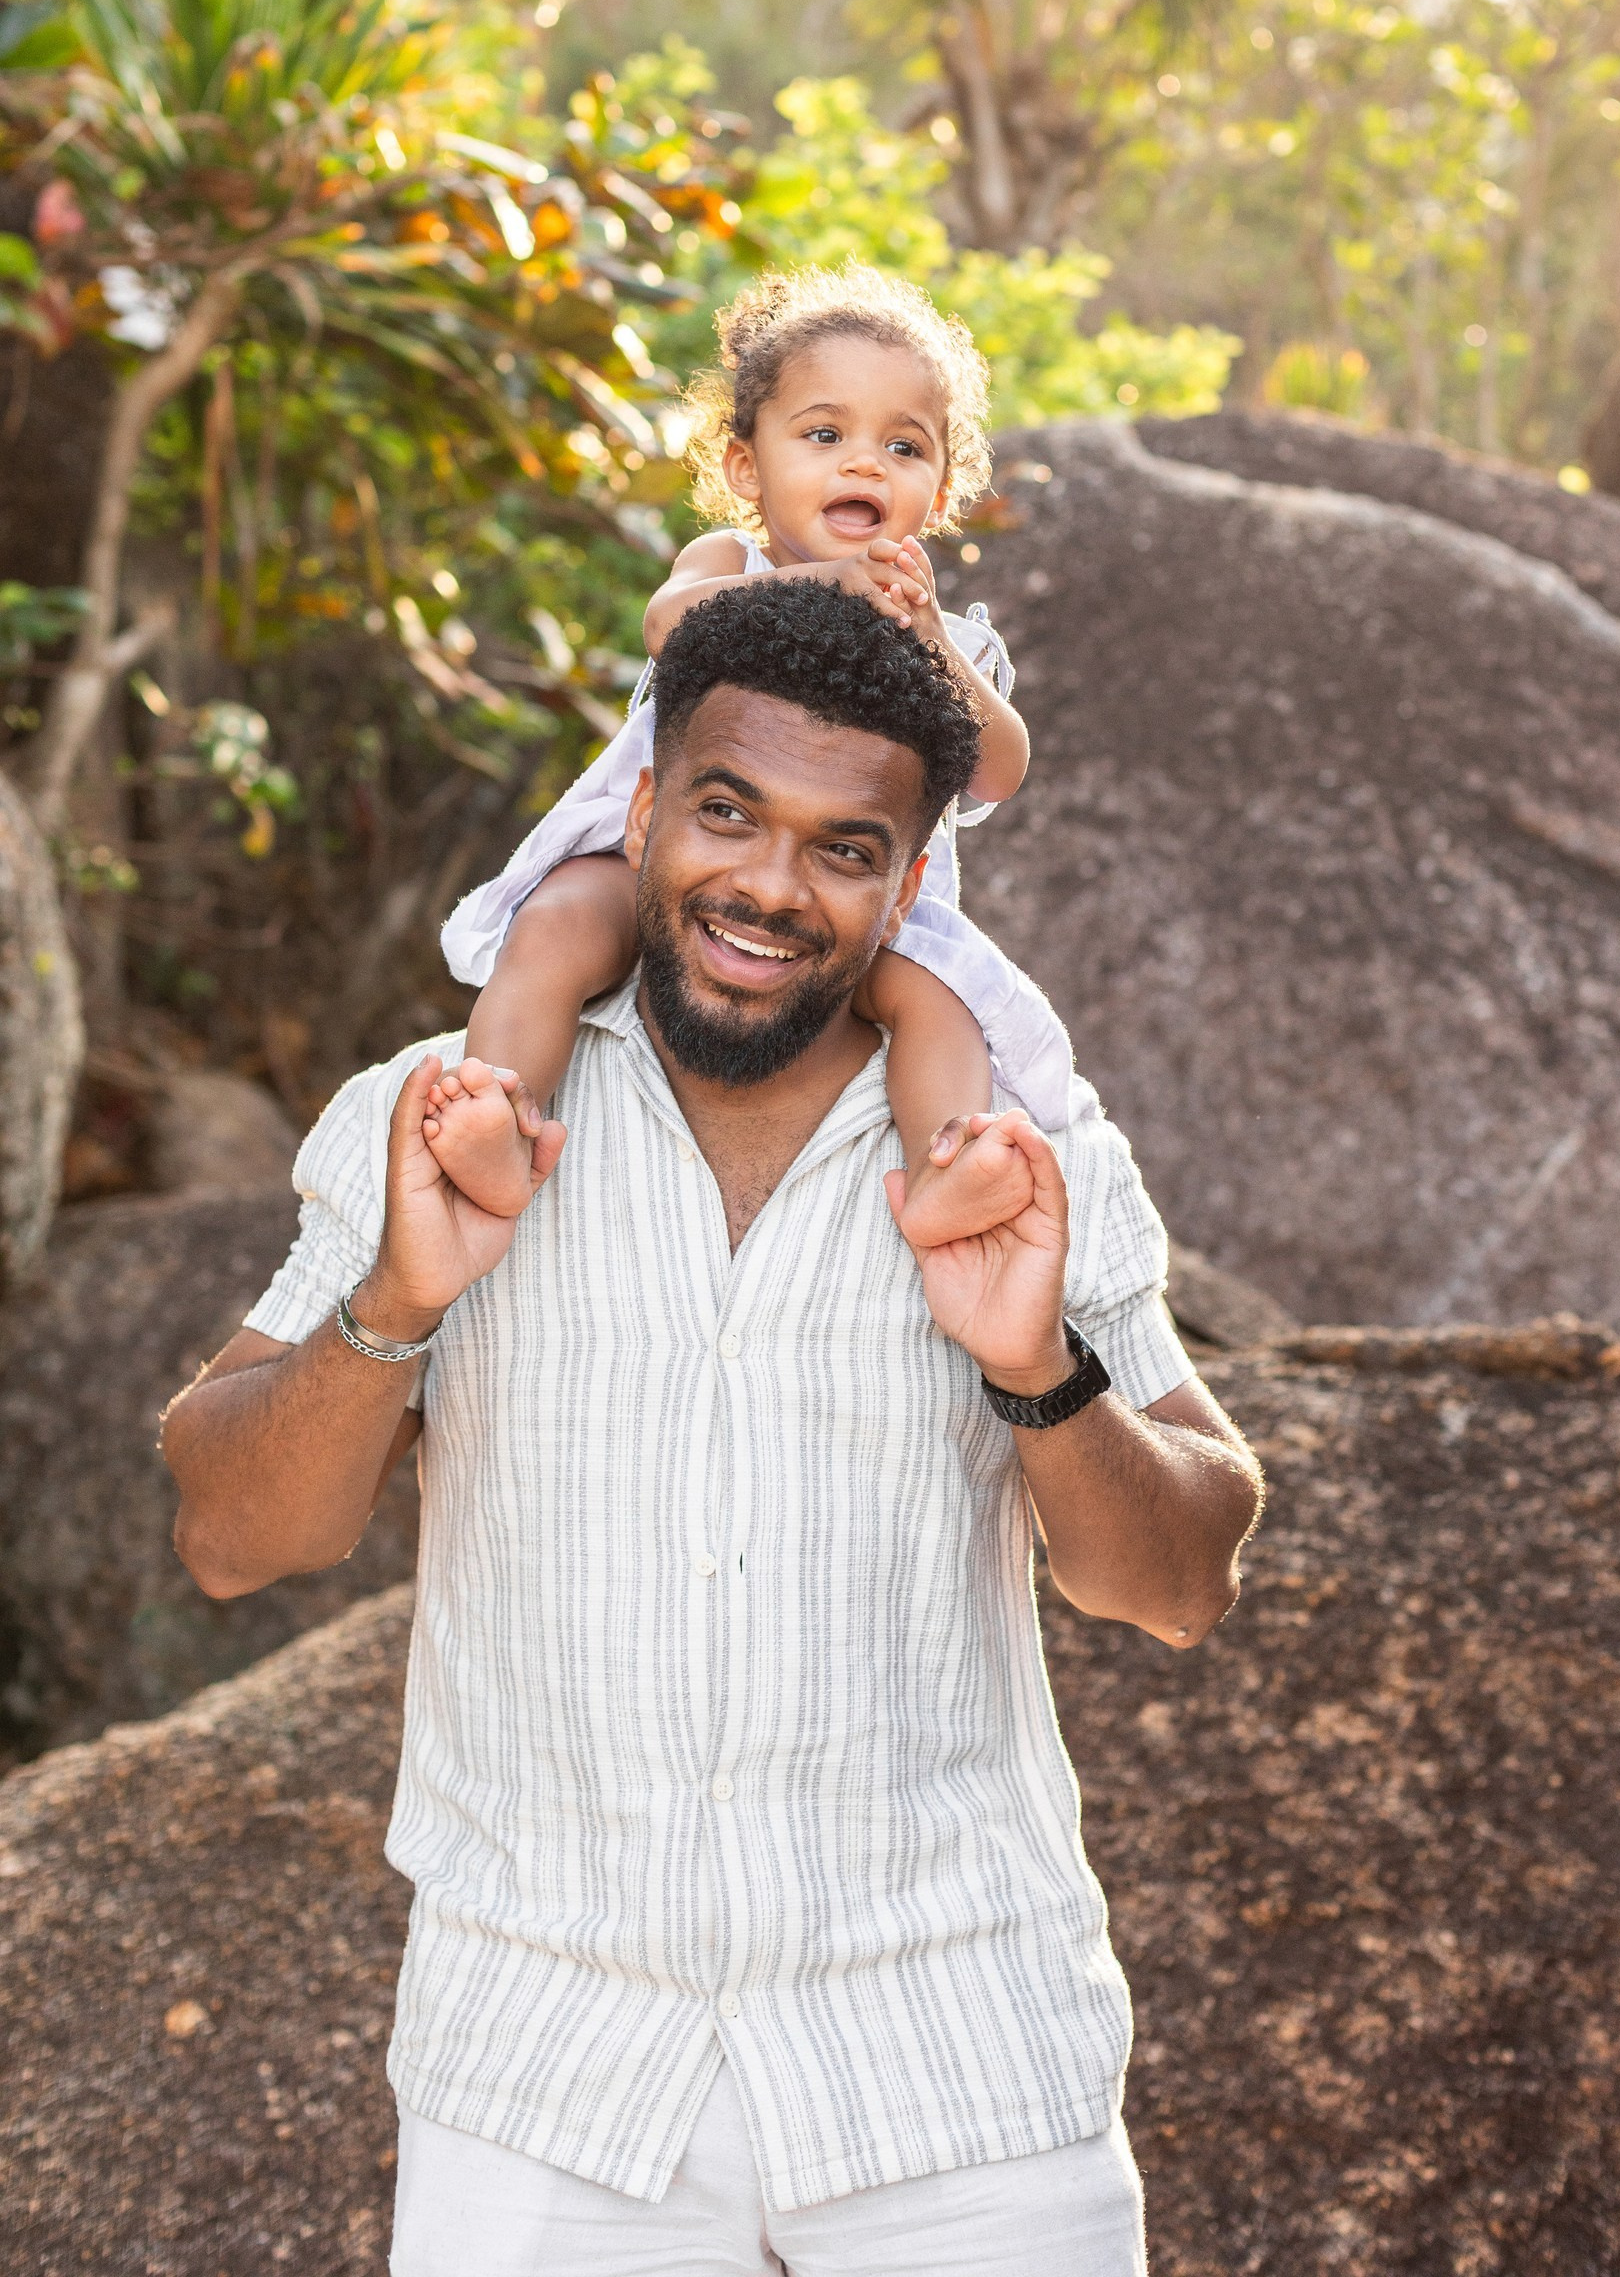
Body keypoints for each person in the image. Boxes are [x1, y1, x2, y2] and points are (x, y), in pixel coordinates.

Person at [163, 579, 1265, 2277]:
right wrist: (397, 1303)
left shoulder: (1018, 1156)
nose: (767, 885)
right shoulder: (434, 1113)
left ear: (910, 883)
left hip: (964, 2073)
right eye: (728, 813)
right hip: (542, 2088)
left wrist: (1035, 1366)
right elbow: (234, 1535)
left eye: (844, 847)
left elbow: (1182, 1577)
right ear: (642, 811)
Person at [425, 261, 1086, 1252]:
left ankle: (946, 1169)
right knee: (557, 926)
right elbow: (666, 627)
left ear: (939, 489)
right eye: (823, 435)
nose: (863, 464)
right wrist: (824, 581)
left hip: (858, 913)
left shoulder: (947, 634)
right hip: (645, 853)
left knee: (936, 1001)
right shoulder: (726, 563)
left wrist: (931, 640)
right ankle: (495, 1119)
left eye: (901, 446)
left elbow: (997, 768)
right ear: (746, 468)